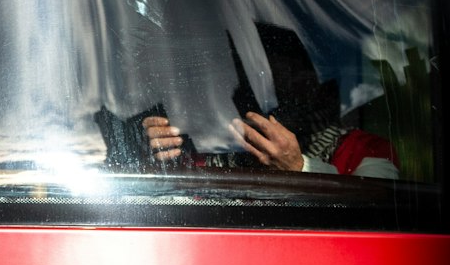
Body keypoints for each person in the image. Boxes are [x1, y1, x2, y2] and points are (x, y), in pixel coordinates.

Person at [143, 106, 398, 180]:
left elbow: (377, 216)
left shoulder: (366, 149)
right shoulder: (201, 150)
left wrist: (299, 168)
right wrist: (148, 151)